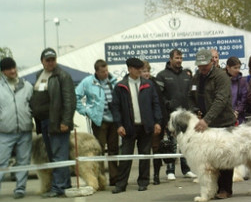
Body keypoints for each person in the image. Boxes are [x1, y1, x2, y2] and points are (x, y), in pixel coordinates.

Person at [29, 48, 77, 197]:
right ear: (42, 61)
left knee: (59, 155)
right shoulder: (39, 75)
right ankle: (64, 185)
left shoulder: (63, 76)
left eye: (53, 60)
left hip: (57, 122)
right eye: (47, 60)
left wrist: (66, 121)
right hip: (43, 122)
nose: (50, 63)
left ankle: (58, 187)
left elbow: (70, 101)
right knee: (52, 155)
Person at [190, 48, 237, 198]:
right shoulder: (197, 77)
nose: (202, 68)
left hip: (223, 123)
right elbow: (191, 95)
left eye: (205, 64)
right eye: (200, 65)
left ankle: (225, 189)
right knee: (212, 158)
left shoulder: (221, 76)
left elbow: (220, 100)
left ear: (212, 61)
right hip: (208, 124)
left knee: (225, 156)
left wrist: (206, 120)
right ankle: (213, 188)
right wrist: (195, 110)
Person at [110, 57, 162, 193]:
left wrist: (157, 122)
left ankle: (143, 182)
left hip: (146, 127)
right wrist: (119, 125)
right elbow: (115, 108)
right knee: (126, 157)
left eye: (141, 68)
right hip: (128, 127)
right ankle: (121, 184)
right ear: (129, 69)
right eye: (137, 68)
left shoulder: (148, 85)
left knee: (144, 156)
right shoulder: (120, 86)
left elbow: (156, 104)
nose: (140, 71)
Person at [154, 49, 196, 182]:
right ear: (170, 59)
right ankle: (170, 170)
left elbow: (191, 95)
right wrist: (167, 106)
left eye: (181, 58)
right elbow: (158, 97)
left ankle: (186, 169)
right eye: (177, 58)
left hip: (185, 116)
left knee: (186, 142)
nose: (179, 60)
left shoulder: (186, 75)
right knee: (171, 143)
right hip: (170, 116)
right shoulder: (162, 75)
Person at [75, 59, 119, 186]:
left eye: (106, 70)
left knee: (114, 149)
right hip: (99, 121)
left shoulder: (113, 81)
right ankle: (100, 178)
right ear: (96, 72)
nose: (105, 73)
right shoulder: (88, 82)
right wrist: (85, 111)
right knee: (98, 150)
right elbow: (76, 96)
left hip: (114, 120)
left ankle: (114, 178)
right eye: (102, 71)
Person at [0, 57, 33, 199]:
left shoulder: (27, 86)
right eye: (9, 69)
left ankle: (20, 188)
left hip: (25, 131)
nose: (13, 71)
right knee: (1, 161)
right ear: (2, 72)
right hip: (5, 132)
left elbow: (33, 106)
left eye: (14, 68)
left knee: (23, 161)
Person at [225, 56, 248, 126]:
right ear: (228, 67)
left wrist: (237, 111)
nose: (238, 70)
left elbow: (244, 99)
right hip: (224, 116)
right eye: (235, 68)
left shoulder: (242, 81)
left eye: (239, 67)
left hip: (239, 116)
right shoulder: (221, 80)